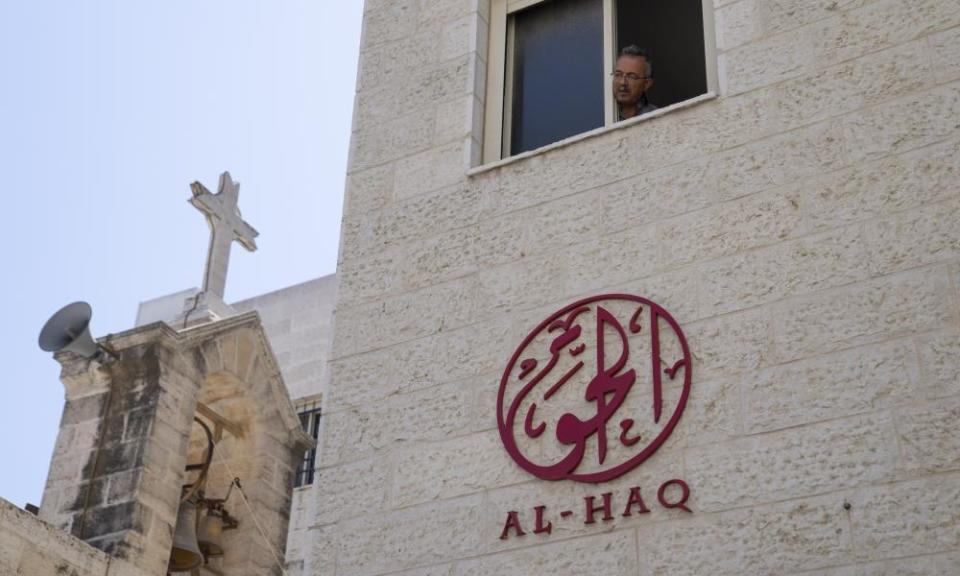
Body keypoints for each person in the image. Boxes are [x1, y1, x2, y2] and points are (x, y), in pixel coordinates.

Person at [612, 45, 657, 121]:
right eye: (618, 74)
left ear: (646, 84)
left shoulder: (656, 117)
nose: (623, 82)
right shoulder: (603, 116)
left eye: (631, 77)